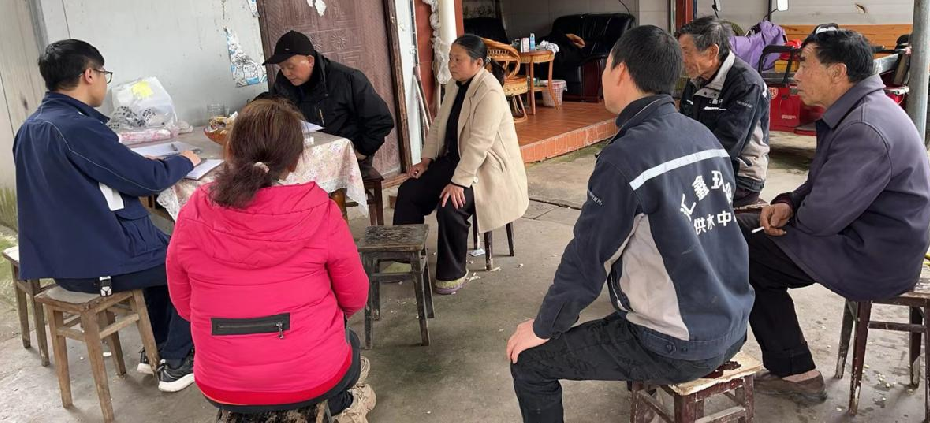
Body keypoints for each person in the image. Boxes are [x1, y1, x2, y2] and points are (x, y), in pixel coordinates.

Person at [506, 25, 754, 423]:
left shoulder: (626, 157)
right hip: (733, 324)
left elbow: (587, 262)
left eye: (606, 67)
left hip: (677, 344)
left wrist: (543, 327)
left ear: (619, 70)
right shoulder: (704, 137)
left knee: (530, 362)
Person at [739, 28, 930, 403]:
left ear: (837, 72)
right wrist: (789, 202)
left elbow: (819, 220)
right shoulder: (863, 110)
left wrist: (794, 215)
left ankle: (795, 372)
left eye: (805, 65)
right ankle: (792, 367)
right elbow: (822, 183)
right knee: (744, 234)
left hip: (874, 257)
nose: (796, 76)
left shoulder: (864, 127)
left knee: (739, 249)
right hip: (867, 236)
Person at [14, 39, 200, 392]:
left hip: (61, 258)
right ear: (89, 74)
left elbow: (86, 177)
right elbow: (146, 181)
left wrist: (130, 164)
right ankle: (177, 361)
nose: (103, 81)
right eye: (103, 74)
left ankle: (156, 348)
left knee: (165, 249)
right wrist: (183, 161)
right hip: (97, 261)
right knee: (192, 261)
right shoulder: (77, 127)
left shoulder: (32, 127)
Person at [166, 98, 372, 418]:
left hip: (223, 385)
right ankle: (340, 403)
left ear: (230, 150)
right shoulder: (319, 210)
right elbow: (355, 297)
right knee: (349, 342)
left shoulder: (194, 211)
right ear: (293, 161)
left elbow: (184, 304)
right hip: (314, 377)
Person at [393, 34, 529, 295]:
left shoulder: (490, 91)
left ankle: (451, 274)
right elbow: (438, 125)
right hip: (456, 160)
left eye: (458, 59)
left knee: (450, 205)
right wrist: (426, 160)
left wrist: (458, 182)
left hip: (487, 168)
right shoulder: (455, 85)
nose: (451, 64)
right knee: (409, 190)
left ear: (478, 63)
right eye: (450, 58)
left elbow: (480, 143)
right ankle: (405, 258)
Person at [261, 30, 394, 178]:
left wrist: (362, 152)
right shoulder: (284, 82)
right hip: (308, 156)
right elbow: (274, 103)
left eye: (290, 66)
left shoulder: (347, 79)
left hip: (347, 158)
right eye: (282, 68)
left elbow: (381, 120)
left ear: (310, 60)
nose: (286, 73)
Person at [678, 16, 771, 207]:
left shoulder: (745, 84)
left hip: (739, 176)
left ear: (712, 51)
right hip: (702, 166)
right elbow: (683, 127)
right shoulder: (696, 79)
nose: (682, 59)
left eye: (686, 52)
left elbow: (727, 146)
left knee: (674, 202)